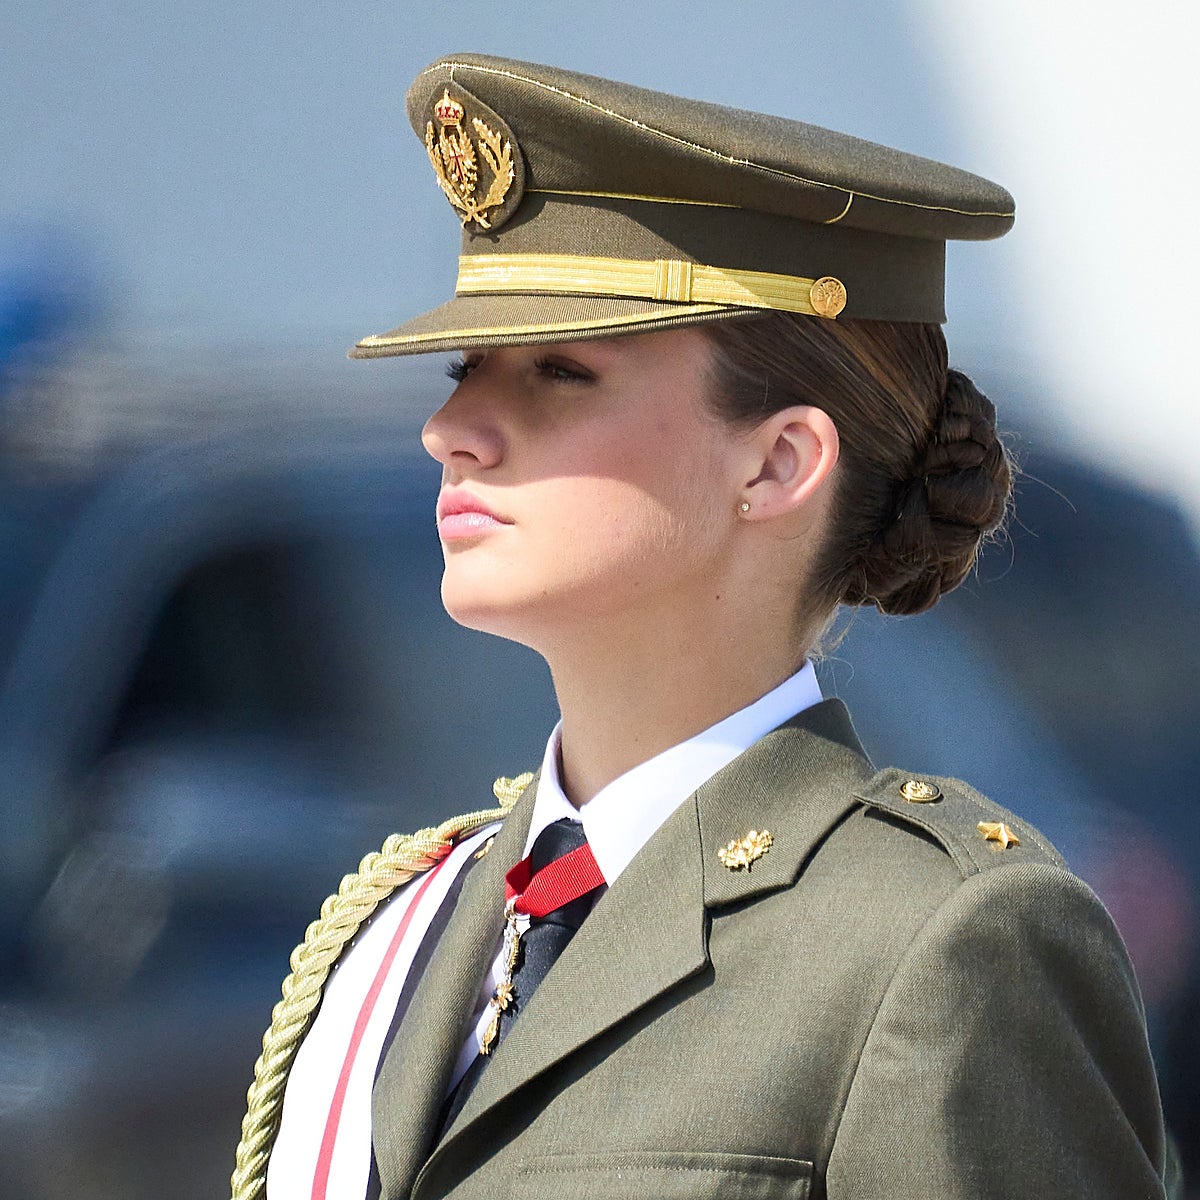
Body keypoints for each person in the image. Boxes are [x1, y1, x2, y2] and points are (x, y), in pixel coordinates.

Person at [231, 53, 1172, 1200]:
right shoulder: (405, 926)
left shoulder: (942, 941)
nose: (453, 430)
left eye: (559, 372)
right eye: (467, 369)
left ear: (777, 463)